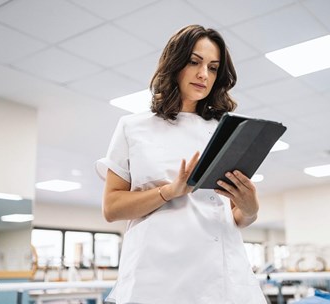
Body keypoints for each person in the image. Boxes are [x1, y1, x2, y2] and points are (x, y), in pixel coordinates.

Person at [96, 24, 266, 304]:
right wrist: (168, 192)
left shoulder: (225, 131)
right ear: (174, 63)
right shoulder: (133, 127)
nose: (203, 75)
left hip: (222, 276)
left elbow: (235, 216)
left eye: (213, 68)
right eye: (194, 62)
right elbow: (112, 208)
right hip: (156, 277)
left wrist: (250, 209)